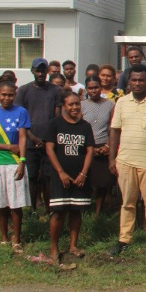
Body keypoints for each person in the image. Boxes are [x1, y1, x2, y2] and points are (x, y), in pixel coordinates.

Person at [107, 65, 146, 259]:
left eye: (141, 80)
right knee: (127, 203)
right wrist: (112, 158)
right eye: (134, 80)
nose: (138, 83)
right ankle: (124, 239)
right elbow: (114, 130)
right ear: (128, 82)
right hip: (125, 160)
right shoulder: (122, 102)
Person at [43, 91, 95, 265]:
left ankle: (73, 245)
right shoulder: (55, 124)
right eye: (70, 104)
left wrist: (83, 173)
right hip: (60, 176)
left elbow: (89, 151)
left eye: (77, 104)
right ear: (64, 106)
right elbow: (50, 149)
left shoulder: (85, 126)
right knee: (58, 213)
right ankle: (54, 248)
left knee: (75, 210)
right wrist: (60, 172)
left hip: (80, 177)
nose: (74, 107)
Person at [0, 80, 30, 253]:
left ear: (15, 94)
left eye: (10, 95)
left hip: (14, 163)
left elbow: (23, 137)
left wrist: (22, 160)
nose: (7, 98)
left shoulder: (21, 112)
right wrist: (8, 146)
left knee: (15, 204)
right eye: (3, 95)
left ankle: (16, 237)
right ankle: (3, 236)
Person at [14, 58, 63, 214]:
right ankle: (33, 208)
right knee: (32, 177)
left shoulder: (55, 90)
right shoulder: (23, 91)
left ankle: (50, 209)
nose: (40, 73)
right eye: (37, 70)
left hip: (49, 142)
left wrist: (47, 139)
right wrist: (34, 138)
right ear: (32, 71)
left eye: (43, 70)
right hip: (29, 141)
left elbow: (57, 117)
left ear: (48, 71)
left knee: (49, 177)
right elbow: (20, 119)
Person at [81, 76, 116, 217]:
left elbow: (113, 127)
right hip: (87, 146)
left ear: (100, 88)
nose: (93, 90)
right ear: (86, 89)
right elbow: (79, 127)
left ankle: (98, 212)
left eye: (96, 87)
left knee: (102, 182)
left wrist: (108, 145)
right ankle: (85, 209)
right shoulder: (82, 105)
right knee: (86, 180)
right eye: (90, 88)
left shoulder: (110, 104)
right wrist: (89, 148)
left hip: (104, 146)